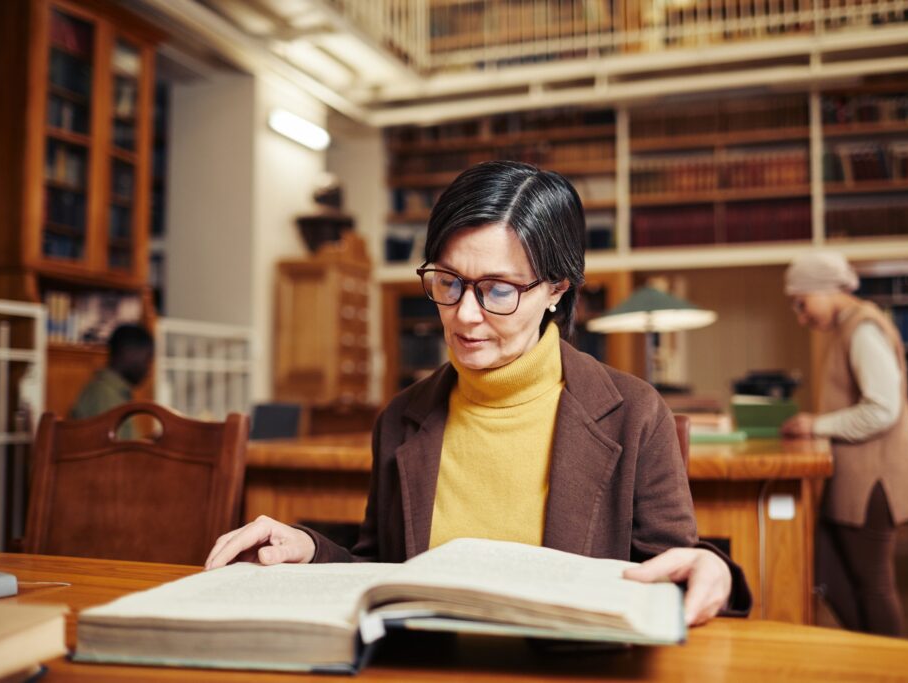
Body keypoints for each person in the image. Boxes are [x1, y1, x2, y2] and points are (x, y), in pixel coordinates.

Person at [206, 161, 751, 625]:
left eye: (497, 290)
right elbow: (384, 571)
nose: (465, 315)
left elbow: (674, 568)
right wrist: (310, 550)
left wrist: (713, 570)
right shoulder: (402, 418)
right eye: (448, 282)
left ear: (557, 290)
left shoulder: (633, 414)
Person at [780, 250, 908, 636]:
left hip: (874, 482)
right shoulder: (847, 328)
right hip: (858, 480)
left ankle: (888, 670)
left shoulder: (862, 329)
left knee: (872, 584)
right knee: (827, 568)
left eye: (801, 302)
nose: (801, 315)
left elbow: (882, 409)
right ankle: (870, 655)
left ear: (824, 290)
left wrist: (816, 425)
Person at [70, 323, 154, 438]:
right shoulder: (103, 394)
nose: (149, 370)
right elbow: (113, 453)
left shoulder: (113, 392)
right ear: (129, 353)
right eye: (147, 359)